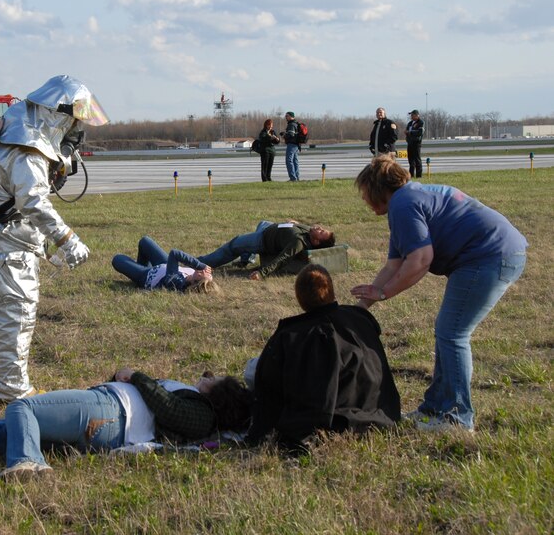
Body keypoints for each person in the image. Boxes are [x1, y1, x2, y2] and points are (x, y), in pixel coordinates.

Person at [0, 75, 109, 403]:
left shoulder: (15, 122)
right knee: (16, 312)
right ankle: (12, 394)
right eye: (74, 123)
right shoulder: (26, 144)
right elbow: (32, 200)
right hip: (4, 242)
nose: (76, 132)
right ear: (59, 115)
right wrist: (67, 239)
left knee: (1, 306)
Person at [350, 155, 527, 433]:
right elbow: (394, 265)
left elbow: (420, 260)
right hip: (497, 252)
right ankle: (434, 408)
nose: (363, 200)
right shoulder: (408, 199)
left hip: (489, 256)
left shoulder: (403, 205)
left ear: (375, 188)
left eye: (363, 193)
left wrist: (384, 294)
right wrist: (360, 309)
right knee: (447, 331)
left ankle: (457, 418)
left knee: (453, 333)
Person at [0, 367, 253, 477]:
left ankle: (29, 464)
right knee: (8, 426)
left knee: (20, 409)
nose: (207, 375)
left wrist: (137, 377)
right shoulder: (194, 396)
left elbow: (173, 413)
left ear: (217, 394)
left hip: (111, 412)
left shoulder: (202, 412)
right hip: (108, 414)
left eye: (213, 378)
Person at [245, 264, 401, 448]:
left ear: (299, 298)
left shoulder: (294, 336)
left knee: (251, 370)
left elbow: (271, 386)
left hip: (333, 418)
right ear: (332, 292)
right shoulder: (360, 319)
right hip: (378, 410)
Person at [198, 221, 335, 280]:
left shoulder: (298, 243)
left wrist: (262, 273)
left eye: (321, 232)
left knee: (233, 245)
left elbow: (282, 259)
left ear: (316, 241)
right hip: (267, 228)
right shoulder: (308, 231)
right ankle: (246, 259)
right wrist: (294, 223)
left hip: (262, 240)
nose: (320, 228)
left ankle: (200, 263)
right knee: (262, 222)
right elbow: (297, 226)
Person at [112, 235, 218, 293]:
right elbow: (207, 282)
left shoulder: (176, 282)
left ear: (198, 277)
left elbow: (175, 253)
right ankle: (140, 265)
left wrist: (199, 265)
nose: (208, 271)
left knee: (117, 259)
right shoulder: (203, 279)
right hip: (165, 264)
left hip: (146, 275)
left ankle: (138, 270)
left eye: (205, 273)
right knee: (145, 241)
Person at [405, 109, 425, 178]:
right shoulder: (410, 123)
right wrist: (407, 136)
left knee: (417, 160)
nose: (411, 116)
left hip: (416, 143)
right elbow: (407, 131)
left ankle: (419, 175)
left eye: (413, 115)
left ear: (417, 115)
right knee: (411, 160)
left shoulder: (420, 122)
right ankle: (411, 175)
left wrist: (410, 132)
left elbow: (420, 132)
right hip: (410, 143)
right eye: (411, 115)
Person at [282, 111, 300, 181]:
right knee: (295, 161)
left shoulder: (291, 124)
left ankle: (292, 178)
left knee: (288, 161)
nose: (286, 117)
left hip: (292, 145)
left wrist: (284, 135)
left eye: (287, 116)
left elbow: (291, 135)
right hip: (296, 145)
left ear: (291, 116)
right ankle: (296, 177)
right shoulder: (296, 124)